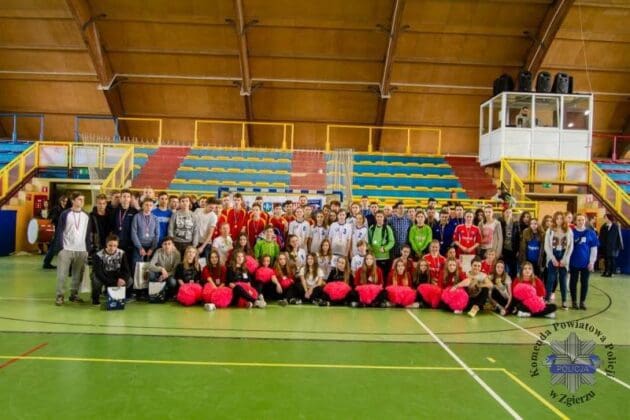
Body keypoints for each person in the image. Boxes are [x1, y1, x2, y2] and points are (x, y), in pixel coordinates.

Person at [54, 191, 92, 306]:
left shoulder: (86, 216)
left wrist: (87, 249)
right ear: (73, 200)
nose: (82, 201)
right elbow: (59, 231)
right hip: (66, 249)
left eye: (83, 199)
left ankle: (74, 295)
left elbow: (88, 233)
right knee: (62, 274)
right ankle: (60, 296)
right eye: (79, 199)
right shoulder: (65, 214)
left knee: (77, 275)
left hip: (81, 250)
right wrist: (60, 248)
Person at [544, 211, 574, 309]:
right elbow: (546, 246)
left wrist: (565, 259)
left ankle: (564, 301)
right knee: (550, 279)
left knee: (563, 280)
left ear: (564, 219)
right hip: (553, 255)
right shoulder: (550, 230)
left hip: (563, 255)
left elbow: (570, 247)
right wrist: (553, 259)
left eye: (561, 218)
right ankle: (547, 299)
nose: (559, 220)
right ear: (554, 219)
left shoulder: (568, 230)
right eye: (557, 218)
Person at [91, 234, 132, 305]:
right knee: (95, 279)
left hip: (115, 275)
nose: (112, 248)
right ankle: (95, 298)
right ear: (106, 244)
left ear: (117, 245)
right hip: (104, 275)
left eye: (115, 246)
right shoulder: (98, 255)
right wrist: (112, 283)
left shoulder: (122, 253)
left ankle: (120, 296)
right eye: (110, 245)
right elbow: (98, 272)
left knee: (129, 280)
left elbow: (126, 270)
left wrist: (123, 279)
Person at [570, 214, 599, 310]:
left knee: (584, 282)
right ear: (575, 221)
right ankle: (574, 302)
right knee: (573, 282)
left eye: (582, 220)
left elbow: (594, 248)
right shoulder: (571, 232)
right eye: (578, 220)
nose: (580, 222)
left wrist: (592, 262)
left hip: (586, 263)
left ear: (585, 221)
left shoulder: (591, 233)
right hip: (573, 262)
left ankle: (582, 302)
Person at [110, 189, 139, 271]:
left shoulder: (134, 212)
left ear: (130, 199)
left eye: (128, 197)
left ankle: (128, 279)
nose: (126, 199)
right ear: (120, 198)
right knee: (117, 265)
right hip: (117, 243)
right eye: (124, 196)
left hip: (129, 243)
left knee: (128, 265)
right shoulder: (114, 211)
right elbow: (111, 227)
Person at [130, 198, 160, 274]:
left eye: (150, 205)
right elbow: (133, 233)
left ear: (153, 207)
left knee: (151, 268)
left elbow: (157, 234)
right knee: (136, 266)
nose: (148, 207)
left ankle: (148, 281)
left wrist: (152, 248)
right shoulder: (137, 217)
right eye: (146, 205)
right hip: (139, 246)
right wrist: (140, 248)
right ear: (142, 206)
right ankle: (137, 281)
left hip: (151, 246)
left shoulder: (155, 218)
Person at [43, 194, 69, 269]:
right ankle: (47, 263)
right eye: (64, 201)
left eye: (66, 201)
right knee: (55, 247)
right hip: (57, 230)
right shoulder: (57, 209)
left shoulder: (63, 209)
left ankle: (47, 262)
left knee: (55, 247)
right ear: (60, 201)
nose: (65, 203)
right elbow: (52, 219)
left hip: (61, 230)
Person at [367, 210, 395, 275]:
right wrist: (370, 249)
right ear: (375, 217)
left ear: (384, 217)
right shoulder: (371, 228)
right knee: (375, 275)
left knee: (384, 274)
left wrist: (385, 248)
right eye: (377, 216)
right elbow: (368, 241)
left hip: (384, 257)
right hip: (374, 257)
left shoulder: (388, 228)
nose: (379, 218)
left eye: (381, 216)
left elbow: (392, 241)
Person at [500, 208, 520, 276]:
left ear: (512, 214)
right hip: (504, 249)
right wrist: (500, 250)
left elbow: (518, 237)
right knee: (504, 267)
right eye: (506, 212)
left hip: (513, 249)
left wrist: (518, 250)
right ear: (504, 214)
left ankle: (513, 280)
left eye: (510, 212)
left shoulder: (516, 223)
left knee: (513, 268)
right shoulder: (501, 223)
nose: (508, 214)